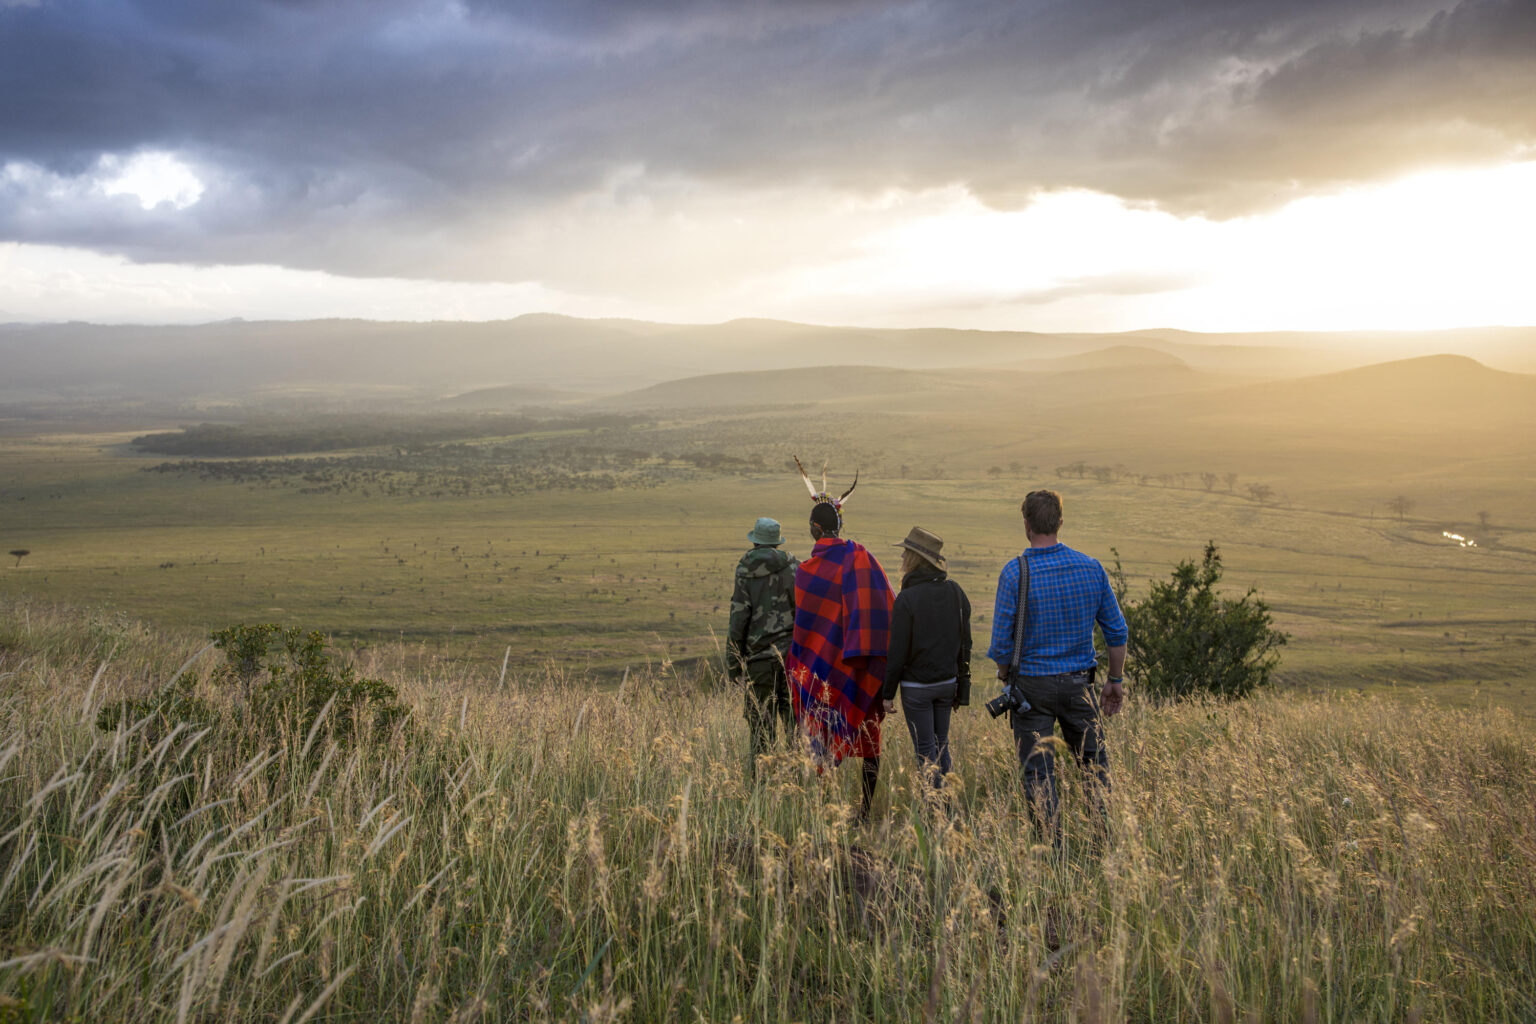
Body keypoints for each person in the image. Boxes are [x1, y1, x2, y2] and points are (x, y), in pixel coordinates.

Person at [987, 489, 1127, 847]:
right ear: (1060, 522)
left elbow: (1002, 644)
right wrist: (1114, 680)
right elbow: (1117, 631)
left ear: (1027, 525)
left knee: (1038, 771)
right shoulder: (1091, 567)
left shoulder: (1015, 573)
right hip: (1081, 684)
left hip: (1031, 688)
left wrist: (1006, 676)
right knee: (1095, 767)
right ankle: (1104, 844)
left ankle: (1053, 851)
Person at [785, 457, 893, 822]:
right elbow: (886, 606)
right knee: (868, 738)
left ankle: (825, 808)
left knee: (822, 732)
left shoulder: (805, 573)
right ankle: (864, 810)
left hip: (821, 668)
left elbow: (804, 629)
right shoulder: (864, 558)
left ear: (815, 529)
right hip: (860, 666)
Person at [882, 526, 971, 789]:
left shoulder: (907, 598)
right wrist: (960, 685)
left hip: (917, 688)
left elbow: (897, 652)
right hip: (947, 684)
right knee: (941, 745)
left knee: (925, 749)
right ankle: (947, 806)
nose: (901, 559)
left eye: (905, 553)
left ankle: (934, 810)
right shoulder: (956, 592)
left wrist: (887, 693)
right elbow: (966, 643)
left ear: (914, 559)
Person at [727, 516, 798, 777]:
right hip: (792, 659)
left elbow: (739, 618)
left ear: (755, 540)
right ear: (777, 542)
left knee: (760, 731)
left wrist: (734, 665)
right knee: (795, 729)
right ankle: (797, 787)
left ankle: (761, 792)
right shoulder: (794, 568)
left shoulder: (744, 571)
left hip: (758, 663)